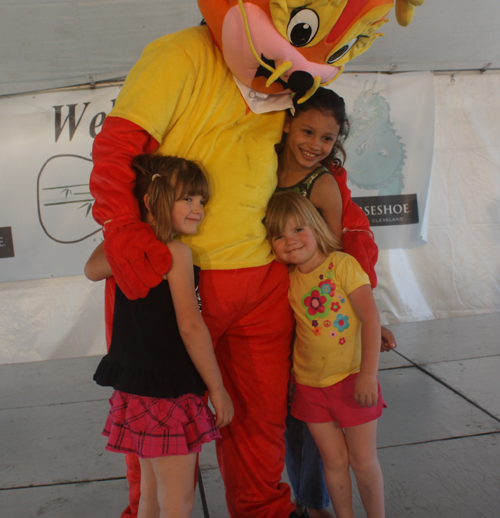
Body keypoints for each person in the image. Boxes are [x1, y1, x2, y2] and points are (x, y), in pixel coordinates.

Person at [86, 154, 234, 518]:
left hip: (136, 394)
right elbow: (191, 326)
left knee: (150, 494)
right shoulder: (175, 253)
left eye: (202, 201)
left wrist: (126, 232)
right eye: (188, 198)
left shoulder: (127, 250)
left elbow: (92, 268)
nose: (198, 208)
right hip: (168, 395)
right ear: (153, 200)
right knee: (178, 502)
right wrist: (217, 388)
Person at [275, 89, 395, 518]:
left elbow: (342, 256)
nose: (315, 145)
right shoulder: (261, 164)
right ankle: (308, 498)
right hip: (278, 301)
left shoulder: (322, 184)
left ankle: (314, 502)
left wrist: (369, 321)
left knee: (331, 438)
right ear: (288, 123)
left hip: (318, 307)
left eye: (327, 138)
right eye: (308, 131)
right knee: (297, 412)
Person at [265, 192, 386, 518]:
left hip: (352, 380)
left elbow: (371, 318)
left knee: (362, 460)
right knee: (333, 462)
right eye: (278, 235)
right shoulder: (289, 281)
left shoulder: (342, 265)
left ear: (316, 227)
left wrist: (367, 375)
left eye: (297, 229)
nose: (289, 241)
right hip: (310, 387)